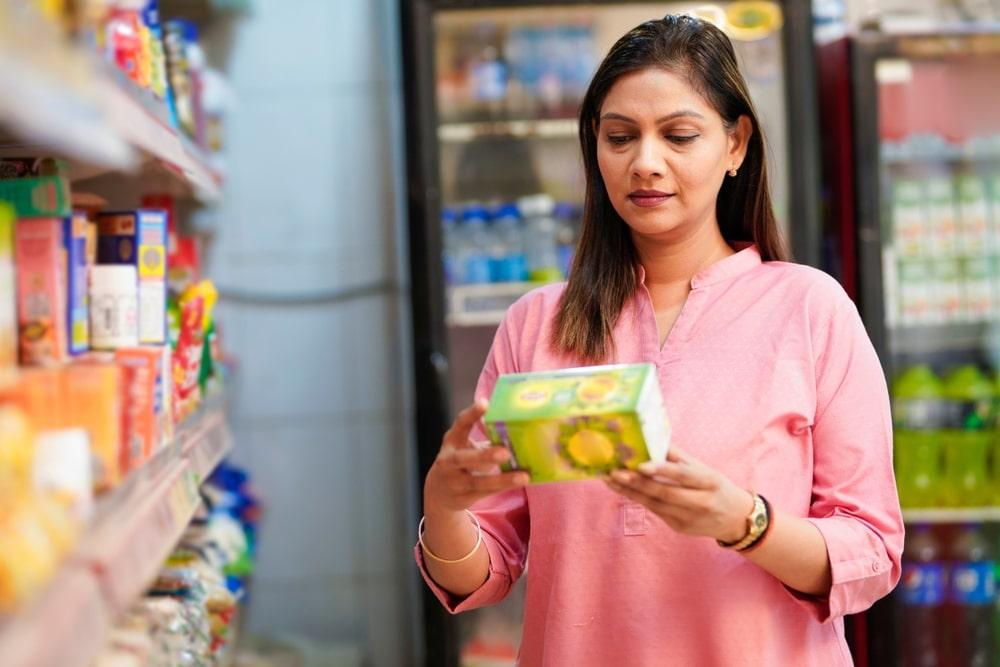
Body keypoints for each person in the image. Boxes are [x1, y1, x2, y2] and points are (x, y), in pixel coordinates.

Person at [415, 14, 903, 666]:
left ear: (735, 145)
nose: (645, 162)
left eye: (678, 135)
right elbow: (484, 567)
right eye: (620, 137)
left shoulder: (809, 310)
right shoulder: (536, 325)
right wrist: (445, 508)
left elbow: (871, 551)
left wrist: (744, 522)